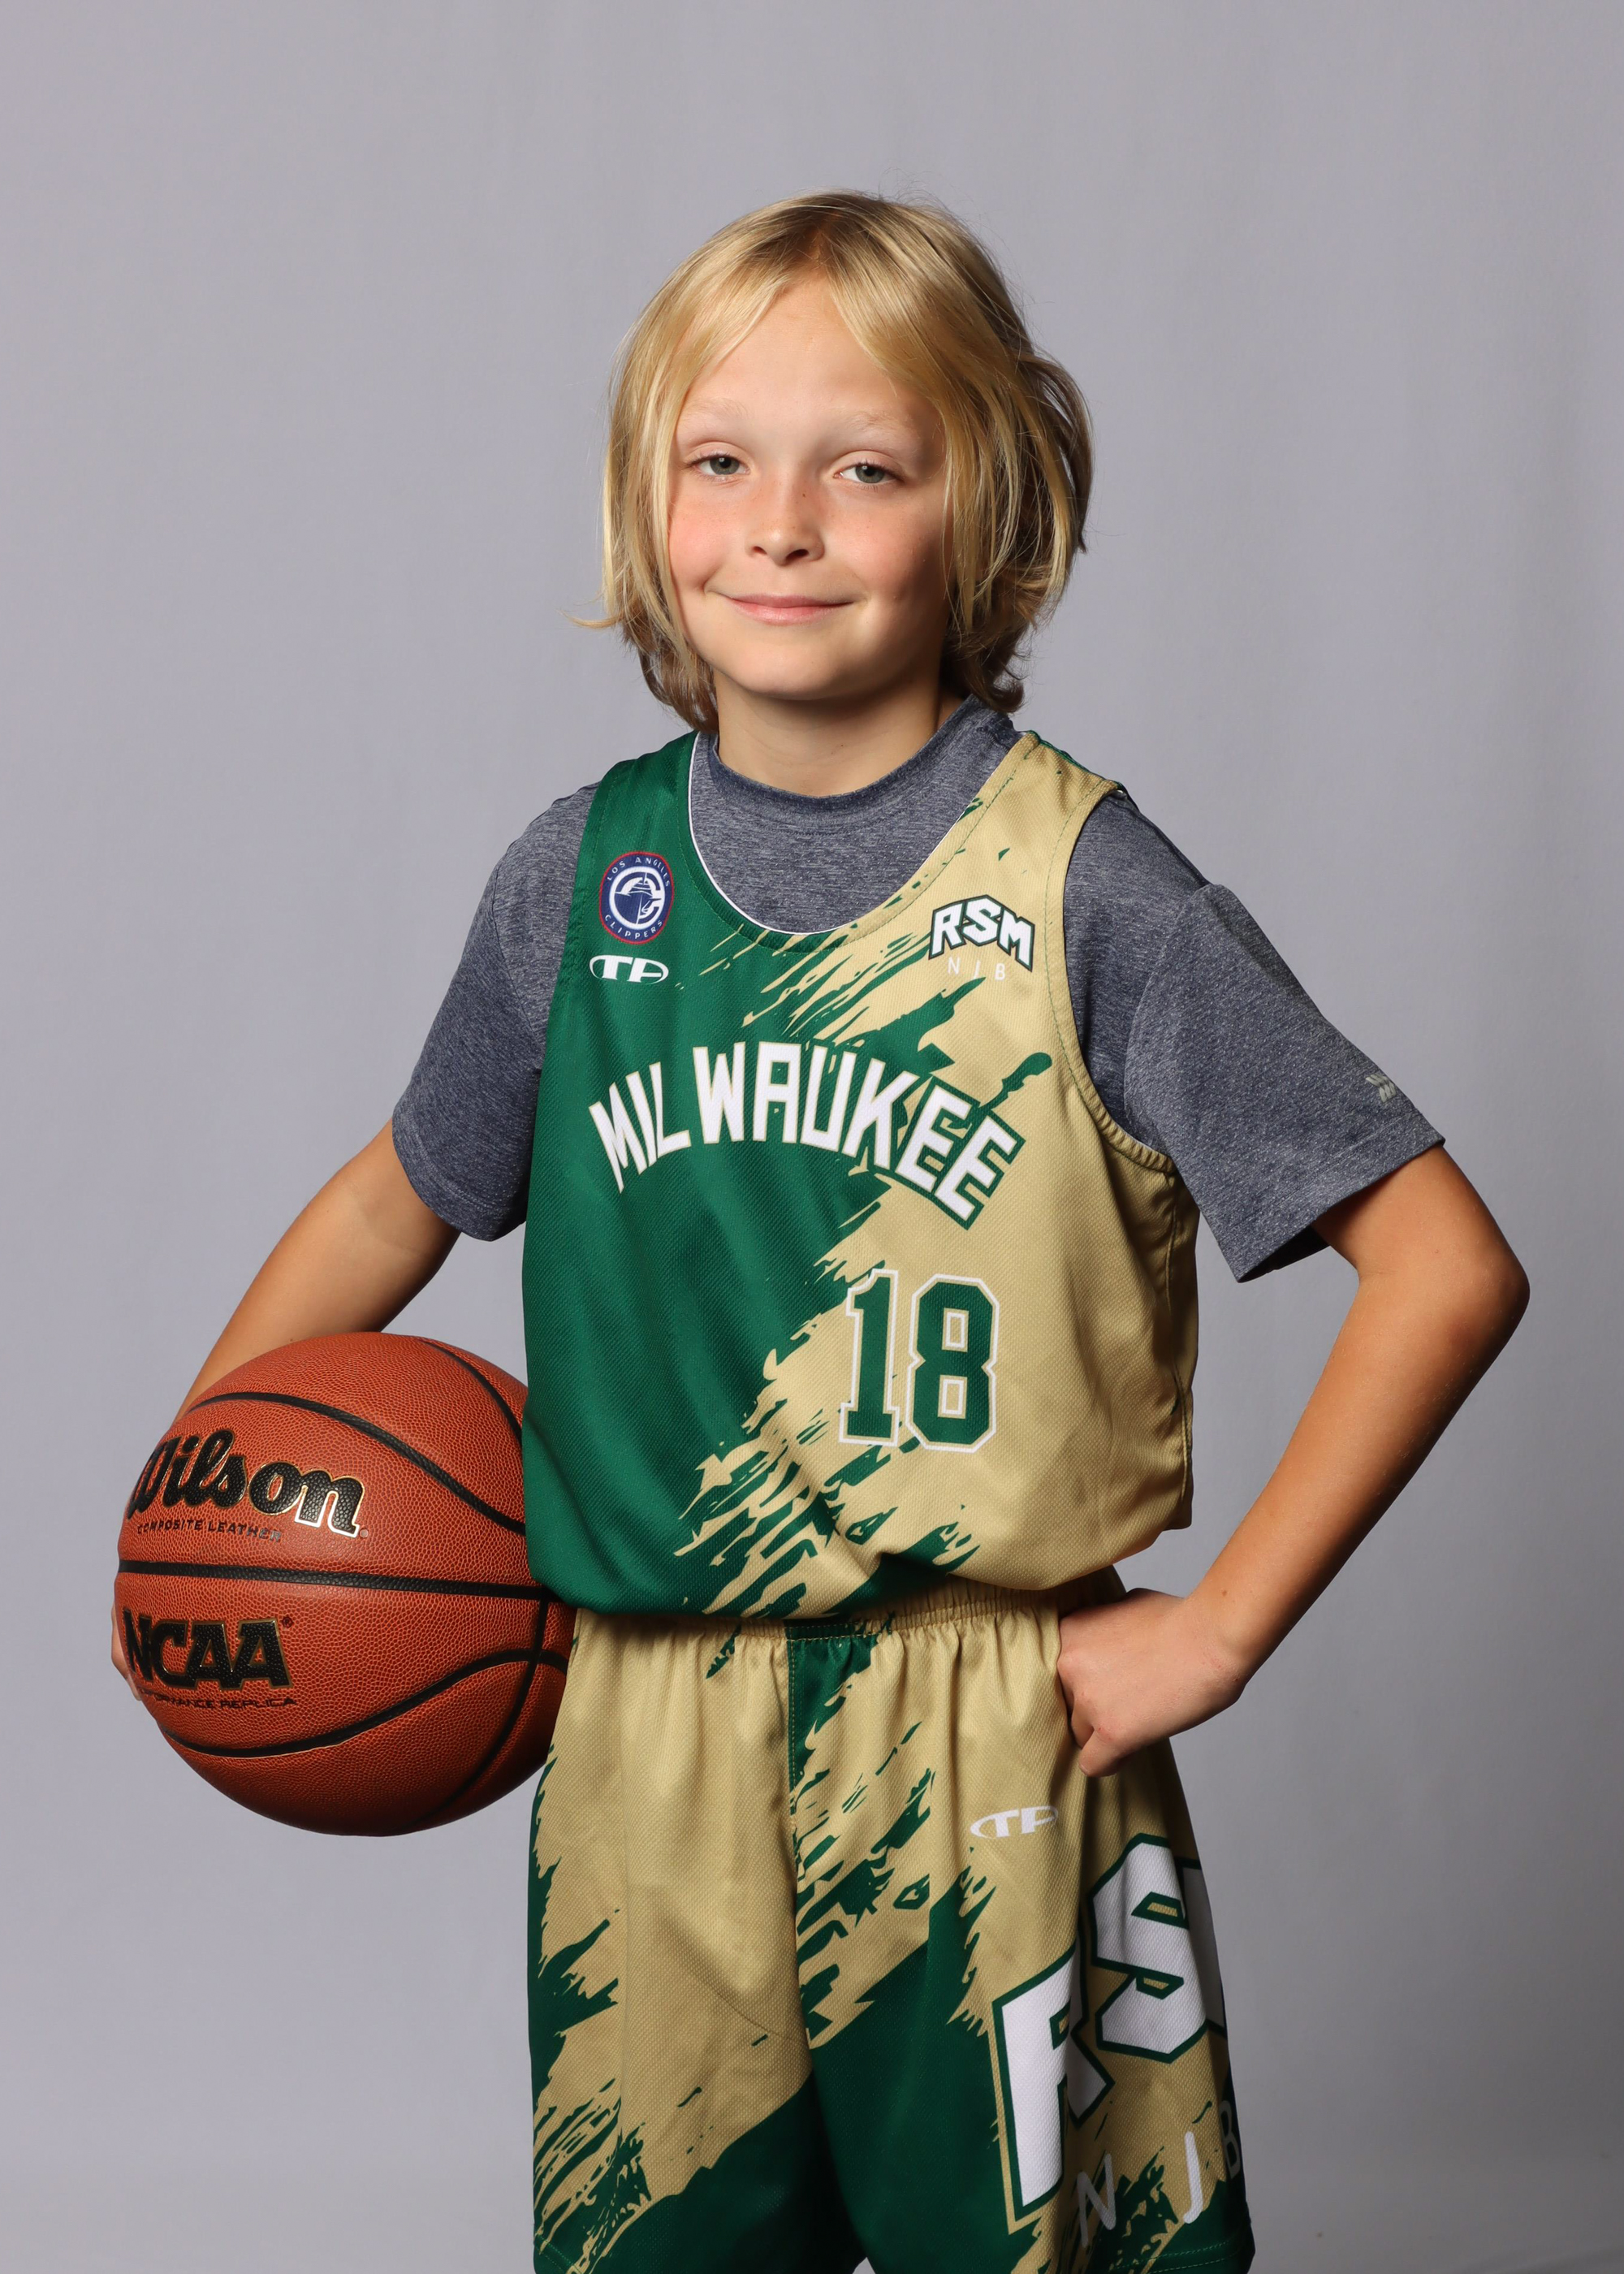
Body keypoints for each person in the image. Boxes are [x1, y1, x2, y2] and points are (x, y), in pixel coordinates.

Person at [118, 192, 1528, 2271]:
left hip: (983, 1720)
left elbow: (1444, 1262)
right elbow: (394, 1196)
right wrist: (199, 1485)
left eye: (864, 467)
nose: (779, 524)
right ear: (647, 501)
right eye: (721, 460)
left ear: (991, 507)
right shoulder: (576, 883)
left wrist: (1221, 1624)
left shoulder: (1085, 889)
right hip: (640, 1725)